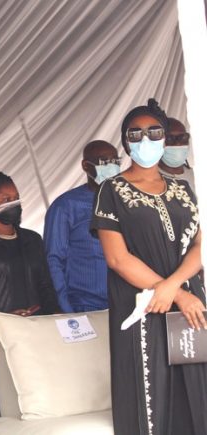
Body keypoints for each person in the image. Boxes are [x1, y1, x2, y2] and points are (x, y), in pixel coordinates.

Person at [91, 98, 207, 434]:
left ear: (165, 137)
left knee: (196, 389)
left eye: (154, 132)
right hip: (142, 306)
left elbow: (200, 245)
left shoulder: (184, 189)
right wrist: (173, 293)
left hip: (189, 304)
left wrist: (177, 288)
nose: (145, 139)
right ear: (125, 141)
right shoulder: (111, 191)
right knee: (151, 394)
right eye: (136, 133)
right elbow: (117, 258)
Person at [0, 171, 60, 418]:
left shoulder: (32, 240)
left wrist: (51, 317)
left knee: (38, 402)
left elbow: (45, 284)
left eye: (16, 197)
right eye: (6, 199)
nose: (14, 204)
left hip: (34, 332)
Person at [44, 140, 120, 313]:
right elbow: (54, 260)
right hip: (85, 306)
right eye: (104, 161)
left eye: (115, 161)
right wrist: (66, 309)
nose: (111, 166)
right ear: (86, 166)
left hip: (126, 304)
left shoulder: (125, 200)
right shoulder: (65, 206)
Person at [158, 117, 195, 188]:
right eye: (169, 138)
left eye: (182, 137)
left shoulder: (197, 175)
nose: (177, 143)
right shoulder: (149, 178)